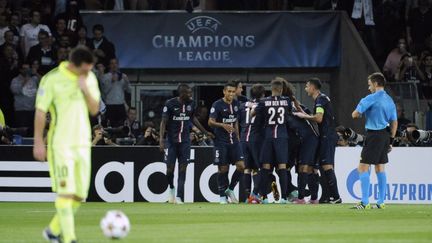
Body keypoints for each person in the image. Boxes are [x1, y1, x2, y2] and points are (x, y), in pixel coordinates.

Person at [33, 46, 100, 243]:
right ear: (73, 65)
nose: (88, 73)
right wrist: (38, 142)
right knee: (66, 192)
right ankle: (69, 238)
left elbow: (95, 109)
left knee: (79, 196)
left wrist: (85, 87)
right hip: (61, 144)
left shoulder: (89, 78)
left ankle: (53, 231)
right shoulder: (52, 79)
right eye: (85, 70)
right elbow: (39, 111)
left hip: (82, 143)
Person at [351, 72, 397, 209]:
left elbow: (354, 115)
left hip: (373, 135)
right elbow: (394, 122)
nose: (368, 87)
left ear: (376, 84)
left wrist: (360, 112)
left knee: (363, 167)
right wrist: (391, 141)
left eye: (369, 84)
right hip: (385, 135)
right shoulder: (390, 100)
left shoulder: (370, 98)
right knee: (380, 167)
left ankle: (365, 202)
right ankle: (381, 202)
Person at [159, 84, 211, 204]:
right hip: (171, 142)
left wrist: (205, 131)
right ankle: (171, 188)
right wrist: (161, 140)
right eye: (188, 93)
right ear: (181, 94)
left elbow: (193, 119)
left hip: (185, 142)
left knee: (183, 169)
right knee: (169, 170)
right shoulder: (170, 104)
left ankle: (179, 197)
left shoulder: (191, 104)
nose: (190, 95)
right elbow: (163, 122)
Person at [294, 78, 342, 204]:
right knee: (323, 166)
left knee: (327, 166)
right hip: (327, 135)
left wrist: (303, 116)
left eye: (306, 86)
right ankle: (327, 197)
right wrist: (299, 109)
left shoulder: (320, 100)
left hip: (327, 136)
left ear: (313, 87)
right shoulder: (322, 98)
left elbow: (319, 118)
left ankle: (336, 197)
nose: (305, 88)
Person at [254, 78, 292, 204]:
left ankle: (264, 197)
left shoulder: (264, 102)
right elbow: (290, 114)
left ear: (272, 89)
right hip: (282, 136)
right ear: (281, 90)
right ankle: (284, 198)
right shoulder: (287, 101)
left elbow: (253, 114)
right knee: (282, 166)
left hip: (268, 137)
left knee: (265, 167)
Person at [283, 81, 320, 204]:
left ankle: (301, 198)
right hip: (304, 140)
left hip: (308, 139)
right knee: (307, 169)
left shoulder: (289, 109)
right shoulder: (298, 106)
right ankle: (313, 198)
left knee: (305, 168)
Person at [208, 81, 245, 204]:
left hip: (234, 141)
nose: (231, 94)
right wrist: (222, 125)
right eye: (229, 91)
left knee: (241, 166)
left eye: (233, 91)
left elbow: (235, 121)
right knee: (223, 169)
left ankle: (230, 189)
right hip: (220, 141)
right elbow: (210, 122)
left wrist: (238, 138)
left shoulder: (236, 104)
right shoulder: (217, 104)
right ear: (224, 91)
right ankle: (222, 196)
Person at [238, 84, 265, 203]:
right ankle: (255, 195)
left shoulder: (242, 105)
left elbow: (238, 121)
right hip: (256, 139)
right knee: (260, 168)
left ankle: (247, 197)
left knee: (247, 169)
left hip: (244, 138)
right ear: (263, 95)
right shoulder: (263, 105)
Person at [100, 58, 131, 127]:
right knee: (109, 125)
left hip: (120, 105)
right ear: (109, 65)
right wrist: (112, 82)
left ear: (118, 65)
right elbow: (104, 92)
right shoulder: (105, 77)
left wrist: (126, 82)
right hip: (110, 105)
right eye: (112, 63)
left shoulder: (123, 76)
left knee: (122, 125)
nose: (114, 65)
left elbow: (129, 90)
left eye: (115, 63)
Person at [10, 63, 39, 131]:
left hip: (33, 110)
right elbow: (15, 90)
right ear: (20, 70)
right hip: (21, 111)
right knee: (22, 131)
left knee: (32, 131)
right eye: (25, 69)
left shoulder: (34, 79)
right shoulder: (15, 80)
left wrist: (36, 73)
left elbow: (44, 82)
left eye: (28, 69)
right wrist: (25, 80)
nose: (27, 70)